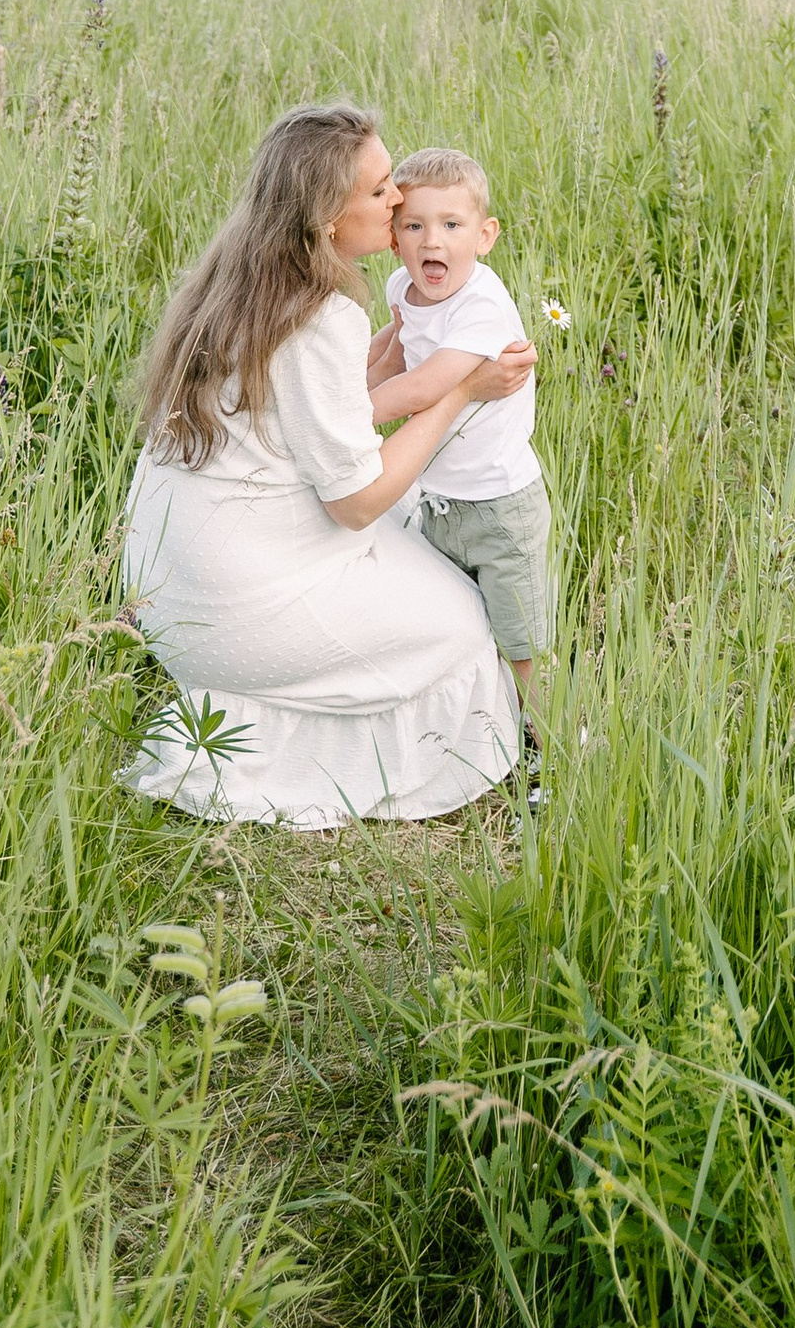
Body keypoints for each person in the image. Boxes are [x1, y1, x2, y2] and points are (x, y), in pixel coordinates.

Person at [121, 102, 530, 830]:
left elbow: (317, 406)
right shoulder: (319, 314)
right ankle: (335, 761)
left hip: (169, 587)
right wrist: (461, 392)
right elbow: (357, 502)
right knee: (467, 627)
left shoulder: (239, 280)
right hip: (237, 609)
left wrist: (396, 348)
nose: (399, 199)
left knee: (416, 529)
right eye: (378, 192)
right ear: (326, 220)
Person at [364, 150, 553, 718]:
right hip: (440, 501)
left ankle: (557, 749)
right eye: (415, 225)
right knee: (460, 628)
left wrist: (348, 416)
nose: (432, 242)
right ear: (394, 237)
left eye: (452, 225)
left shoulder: (483, 308)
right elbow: (396, 357)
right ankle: (476, 731)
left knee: (523, 647)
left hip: (500, 506)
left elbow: (424, 389)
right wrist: (342, 392)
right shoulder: (403, 286)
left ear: (485, 235)